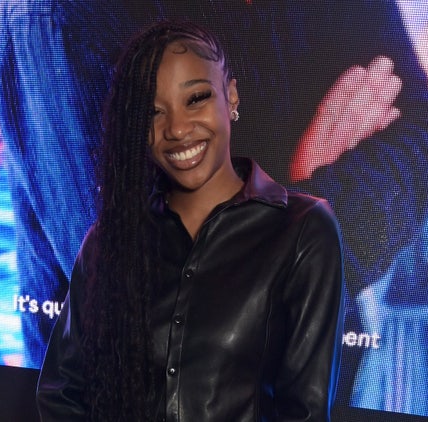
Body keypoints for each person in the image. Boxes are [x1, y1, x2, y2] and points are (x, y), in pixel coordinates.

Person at [36, 20, 346, 421]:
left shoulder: (303, 230)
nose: (177, 129)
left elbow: (304, 412)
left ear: (230, 96)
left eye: (196, 98)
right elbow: (62, 394)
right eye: (153, 111)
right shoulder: (110, 241)